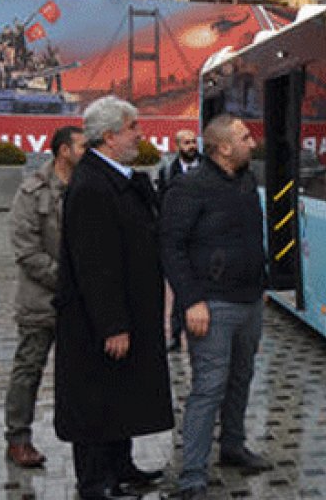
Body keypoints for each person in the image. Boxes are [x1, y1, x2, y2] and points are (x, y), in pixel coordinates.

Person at [54, 96, 172, 499]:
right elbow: (95, 267)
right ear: (108, 136)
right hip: (100, 324)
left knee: (121, 394)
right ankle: (95, 482)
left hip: (130, 312)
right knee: (95, 401)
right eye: (132, 127)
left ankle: (121, 466)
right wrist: (113, 325)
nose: (140, 134)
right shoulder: (90, 186)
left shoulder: (116, 178)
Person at [161, 115, 273, 500]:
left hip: (250, 300)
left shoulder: (246, 180)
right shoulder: (189, 187)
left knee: (242, 377)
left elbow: (253, 236)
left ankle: (233, 446)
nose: (252, 143)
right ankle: (192, 476)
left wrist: (263, 284)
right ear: (223, 148)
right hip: (212, 305)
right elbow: (171, 248)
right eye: (244, 138)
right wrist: (191, 300)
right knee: (209, 387)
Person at [4, 125, 85, 468]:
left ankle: (89, 440)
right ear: (64, 151)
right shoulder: (32, 191)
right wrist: (66, 280)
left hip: (80, 303)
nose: (88, 152)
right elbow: (26, 251)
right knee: (28, 370)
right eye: (82, 146)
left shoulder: (86, 188)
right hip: (42, 301)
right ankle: (18, 439)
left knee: (84, 374)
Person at [157, 128, 204, 352]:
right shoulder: (168, 172)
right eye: (186, 143)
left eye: (193, 142)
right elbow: (161, 205)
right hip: (179, 239)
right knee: (179, 286)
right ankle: (176, 335)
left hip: (203, 238)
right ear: (178, 146)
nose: (191, 146)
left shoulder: (208, 169)